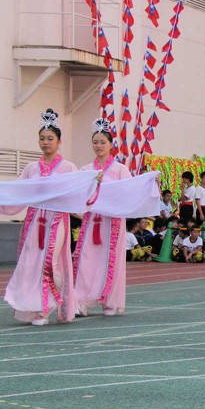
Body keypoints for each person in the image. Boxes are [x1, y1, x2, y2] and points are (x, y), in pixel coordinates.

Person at [0, 109, 78, 326]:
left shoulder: (68, 167)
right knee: (30, 265)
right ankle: (37, 306)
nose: (45, 142)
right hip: (34, 221)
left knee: (49, 264)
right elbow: (18, 192)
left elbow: (77, 193)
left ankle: (45, 309)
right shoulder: (31, 168)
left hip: (56, 220)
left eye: (50, 138)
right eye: (42, 138)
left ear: (59, 141)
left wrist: (93, 183)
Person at [74, 118, 132, 316]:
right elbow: (78, 194)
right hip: (91, 221)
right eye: (95, 142)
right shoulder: (85, 170)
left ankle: (110, 301)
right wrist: (91, 182)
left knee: (110, 259)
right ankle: (81, 300)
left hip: (112, 222)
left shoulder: (120, 170)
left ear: (111, 144)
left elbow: (127, 193)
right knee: (86, 259)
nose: (98, 146)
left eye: (102, 142)